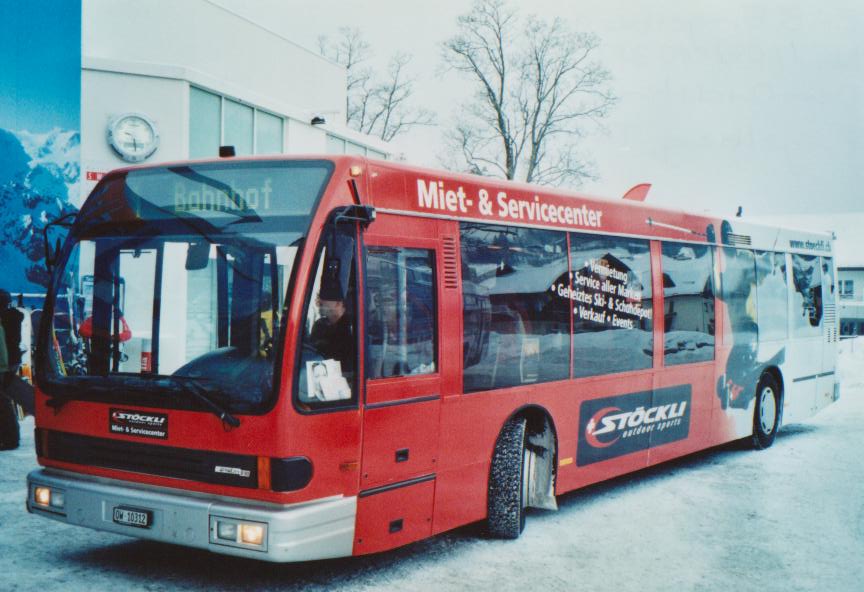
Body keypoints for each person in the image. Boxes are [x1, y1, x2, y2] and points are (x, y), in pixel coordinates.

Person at [309, 289, 354, 374]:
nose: (318, 302)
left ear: (338, 304)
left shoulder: (352, 328)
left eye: (323, 298)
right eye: (318, 297)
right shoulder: (319, 325)